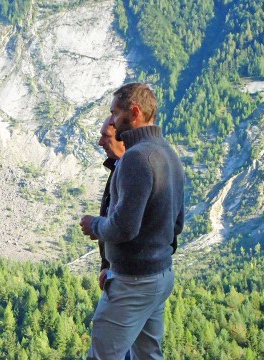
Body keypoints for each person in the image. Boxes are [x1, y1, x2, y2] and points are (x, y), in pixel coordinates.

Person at [80, 83, 185, 359]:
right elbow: (177, 224)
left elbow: (124, 227)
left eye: (115, 113)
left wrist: (95, 225)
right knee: (148, 354)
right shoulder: (168, 154)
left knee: (103, 356)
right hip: (160, 274)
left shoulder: (137, 158)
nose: (112, 121)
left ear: (134, 112)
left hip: (133, 281)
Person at [96, 116, 125, 291]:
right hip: (116, 273)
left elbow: (124, 226)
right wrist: (106, 267)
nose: (100, 143)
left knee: (105, 320)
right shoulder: (118, 167)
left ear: (123, 138)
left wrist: (95, 225)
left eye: (106, 136)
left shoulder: (133, 173)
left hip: (126, 279)